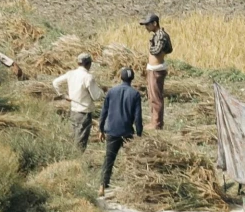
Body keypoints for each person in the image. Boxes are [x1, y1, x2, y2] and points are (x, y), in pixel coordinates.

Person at [98, 65, 143, 195]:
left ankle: (102, 185)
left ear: (120, 77)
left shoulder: (111, 92)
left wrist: (101, 129)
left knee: (109, 159)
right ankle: (131, 186)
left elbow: (104, 111)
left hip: (111, 130)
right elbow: (137, 117)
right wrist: (139, 134)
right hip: (127, 132)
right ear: (132, 79)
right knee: (131, 159)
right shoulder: (135, 94)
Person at [54, 52, 98, 152]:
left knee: (73, 138)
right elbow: (96, 96)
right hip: (84, 113)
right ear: (88, 64)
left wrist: (63, 95)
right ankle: (76, 162)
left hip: (73, 111)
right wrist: (102, 93)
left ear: (78, 63)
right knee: (81, 142)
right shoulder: (88, 77)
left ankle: (70, 159)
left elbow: (55, 82)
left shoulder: (71, 74)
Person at [142, 13, 172, 131]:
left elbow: (156, 50)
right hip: (154, 69)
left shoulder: (160, 35)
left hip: (157, 70)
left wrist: (150, 45)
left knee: (156, 97)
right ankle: (154, 120)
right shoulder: (158, 35)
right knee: (152, 96)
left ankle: (157, 123)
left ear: (155, 23)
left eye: (148, 24)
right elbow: (169, 49)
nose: (146, 27)